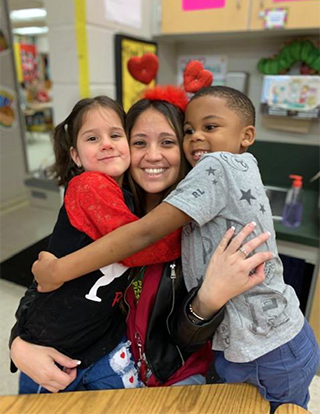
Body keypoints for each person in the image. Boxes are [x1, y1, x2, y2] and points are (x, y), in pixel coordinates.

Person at [32, 86, 320, 412]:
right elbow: (44, 287)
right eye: (140, 142)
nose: (153, 155)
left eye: (168, 142)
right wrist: (19, 345)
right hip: (114, 368)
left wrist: (207, 301)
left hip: (194, 374)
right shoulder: (108, 208)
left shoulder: (196, 221)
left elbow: (183, 339)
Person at [12, 94, 186, 393]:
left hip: (105, 342)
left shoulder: (126, 200)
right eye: (93, 138)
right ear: (76, 156)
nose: (106, 143)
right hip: (57, 348)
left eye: (115, 135)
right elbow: (137, 245)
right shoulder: (90, 185)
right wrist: (18, 343)